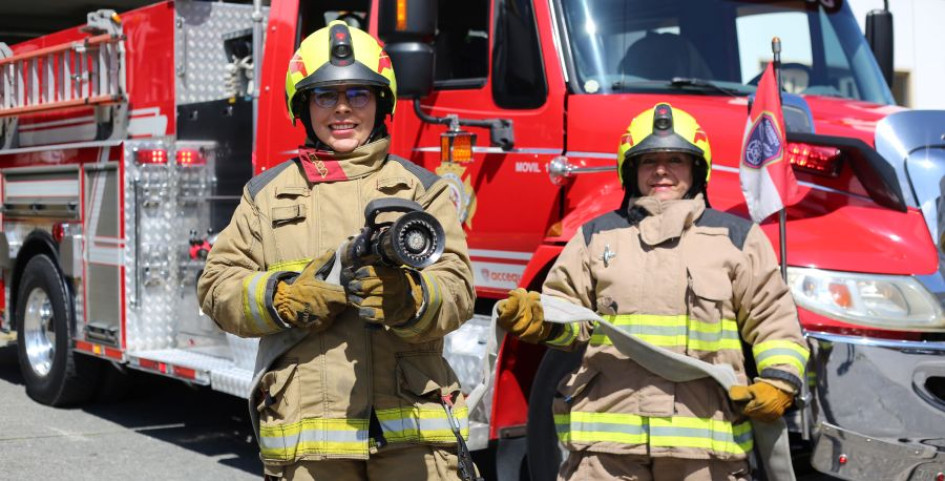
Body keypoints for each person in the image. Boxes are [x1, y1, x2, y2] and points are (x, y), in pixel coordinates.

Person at [197, 21, 476, 481]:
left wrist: (410, 300)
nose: (343, 109)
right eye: (325, 96)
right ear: (303, 106)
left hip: (413, 441)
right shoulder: (265, 196)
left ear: (380, 103)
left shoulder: (419, 190)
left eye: (358, 95)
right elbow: (215, 286)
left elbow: (459, 287)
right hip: (310, 440)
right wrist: (279, 297)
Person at [496, 103, 809, 481]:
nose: (662, 170)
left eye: (676, 159)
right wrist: (539, 322)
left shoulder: (737, 240)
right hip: (606, 453)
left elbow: (774, 321)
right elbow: (568, 319)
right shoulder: (596, 238)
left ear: (697, 169)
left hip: (704, 453)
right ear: (630, 170)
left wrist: (779, 381)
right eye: (649, 161)